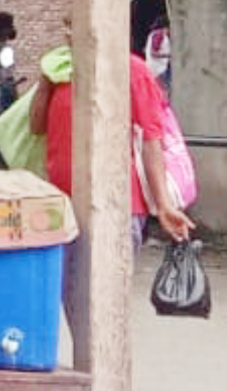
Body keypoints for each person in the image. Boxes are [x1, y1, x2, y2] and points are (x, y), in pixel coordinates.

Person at [35, 46, 194, 243]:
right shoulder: (60, 71)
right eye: (67, 23)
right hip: (64, 205)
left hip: (117, 206)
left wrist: (164, 205)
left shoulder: (132, 70)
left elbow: (151, 141)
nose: (70, 31)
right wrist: (44, 85)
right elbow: (36, 126)